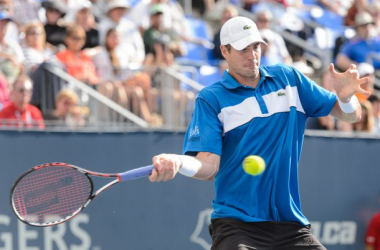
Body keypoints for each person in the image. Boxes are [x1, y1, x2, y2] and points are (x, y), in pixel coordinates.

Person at [148, 16, 369, 249]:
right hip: (236, 226)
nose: (252, 55)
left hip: (291, 226)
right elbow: (208, 166)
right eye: (243, 49)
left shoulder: (288, 78)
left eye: (255, 47)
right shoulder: (211, 99)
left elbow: (351, 115)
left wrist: (346, 99)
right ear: (224, 50)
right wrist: (179, 162)